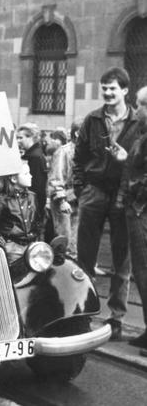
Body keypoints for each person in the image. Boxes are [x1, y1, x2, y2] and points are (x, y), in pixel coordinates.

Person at [73, 67, 139, 340]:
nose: (108, 93)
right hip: (94, 193)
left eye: (113, 88)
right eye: (104, 88)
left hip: (123, 195)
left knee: (121, 259)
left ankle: (116, 318)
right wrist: (81, 189)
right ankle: (83, 312)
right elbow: (79, 156)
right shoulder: (93, 119)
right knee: (85, 256)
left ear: (125, 90)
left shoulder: (138, 121)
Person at [120, 106, 147, 354]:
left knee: (144, 270)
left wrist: (134, 196)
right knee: (140, 272)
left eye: (142, 105)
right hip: (138, 208)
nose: (138, 109)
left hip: (141, 210)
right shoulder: (141, 134)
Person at [0, 161, 44, 263]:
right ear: (14, 179)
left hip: (33, 246)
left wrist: (38, 240)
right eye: (26, 173)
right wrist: (3, 242)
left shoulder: (32, 196)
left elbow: (38, 220)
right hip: (13, 248)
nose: (31, 176)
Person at [47, 121, 82, 262]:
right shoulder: (63, 151)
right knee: (65, 241)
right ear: (78, 133)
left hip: (80, 201)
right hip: (66, 201)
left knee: (77, 242)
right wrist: (62, 200)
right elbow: (56, 178)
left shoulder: (85, 151)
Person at [17, 122, 48, 218]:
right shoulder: (35, 153)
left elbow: (37, 185)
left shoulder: (34, 157)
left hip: (33, 204)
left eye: (20, 138)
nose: (18, 141)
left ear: (31, 137)